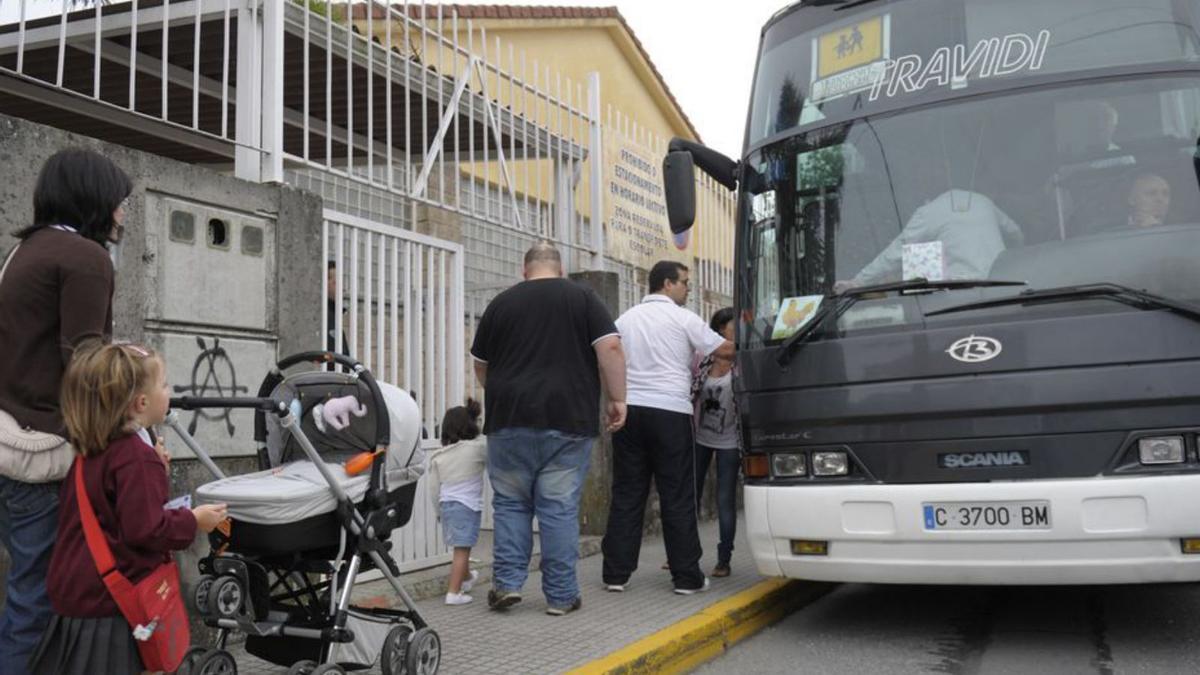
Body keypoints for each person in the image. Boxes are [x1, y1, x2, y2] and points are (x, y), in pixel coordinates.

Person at [0, 149, 131, 675]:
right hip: (41, 455)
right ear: (94, 199)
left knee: (21, 598)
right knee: (36, 601)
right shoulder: (84, 258)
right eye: (120, 203)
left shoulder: (24, 252)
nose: (123, 214)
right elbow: (86, 364)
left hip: (7, 441)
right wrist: (131, 429)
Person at [27, 341, 227, 675]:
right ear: (141, 402)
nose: (170, 390)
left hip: (76, 594)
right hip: (111, 602)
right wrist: (194, 521)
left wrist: (156, 474)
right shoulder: (136, 457)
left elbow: (109, 513)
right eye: (164, 384)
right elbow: (146, 529)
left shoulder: (93, 448)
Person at [470, 242, 626, 616]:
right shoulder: (582, 298)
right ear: (560, 269)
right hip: (567, 419)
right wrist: (618, 398)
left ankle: (507, 585)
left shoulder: (501, 303)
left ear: (524, 271)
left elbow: (480, 364)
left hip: (508, 421)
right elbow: (611, 349)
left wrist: (506, 391)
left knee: (510, 506)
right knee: (557, 508)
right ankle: (560, 596)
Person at [602, 261, 734, 595]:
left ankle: (615, 574)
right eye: (685, 283)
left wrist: (614, 397)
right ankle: (686, 577)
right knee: (676, 494)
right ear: (667, 283)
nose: (688, 289)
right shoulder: (683, 318)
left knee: (628, 492)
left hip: (631, 412)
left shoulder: (625, 319)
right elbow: (724, 349)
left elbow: (607, 353)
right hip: (671, 414)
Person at [836, 189, 1024, 291]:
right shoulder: (983, 201)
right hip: (1005, 289)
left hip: (961, 293)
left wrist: (858, 281)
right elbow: (1015, 233)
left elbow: (896, 253)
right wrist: (1014, 260)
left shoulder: (927, 212)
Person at [691, 307, 740, 579]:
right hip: (700, 438)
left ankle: (724, 558)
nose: (738, 330)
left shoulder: (743, 362)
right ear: (721, 329)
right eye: (734, 326)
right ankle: (685, 552)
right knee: (690, 496)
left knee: (724, 500)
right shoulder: (702, 359)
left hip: (730, 441)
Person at [425, 399, 486, 606]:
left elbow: (434, 489)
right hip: (467, 506)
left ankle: (467, 577)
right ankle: (453, 593)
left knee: (461, 545)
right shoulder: (477, 448)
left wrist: (439, 512)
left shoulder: (439, 456)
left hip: (447, 505)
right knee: (462, 549)